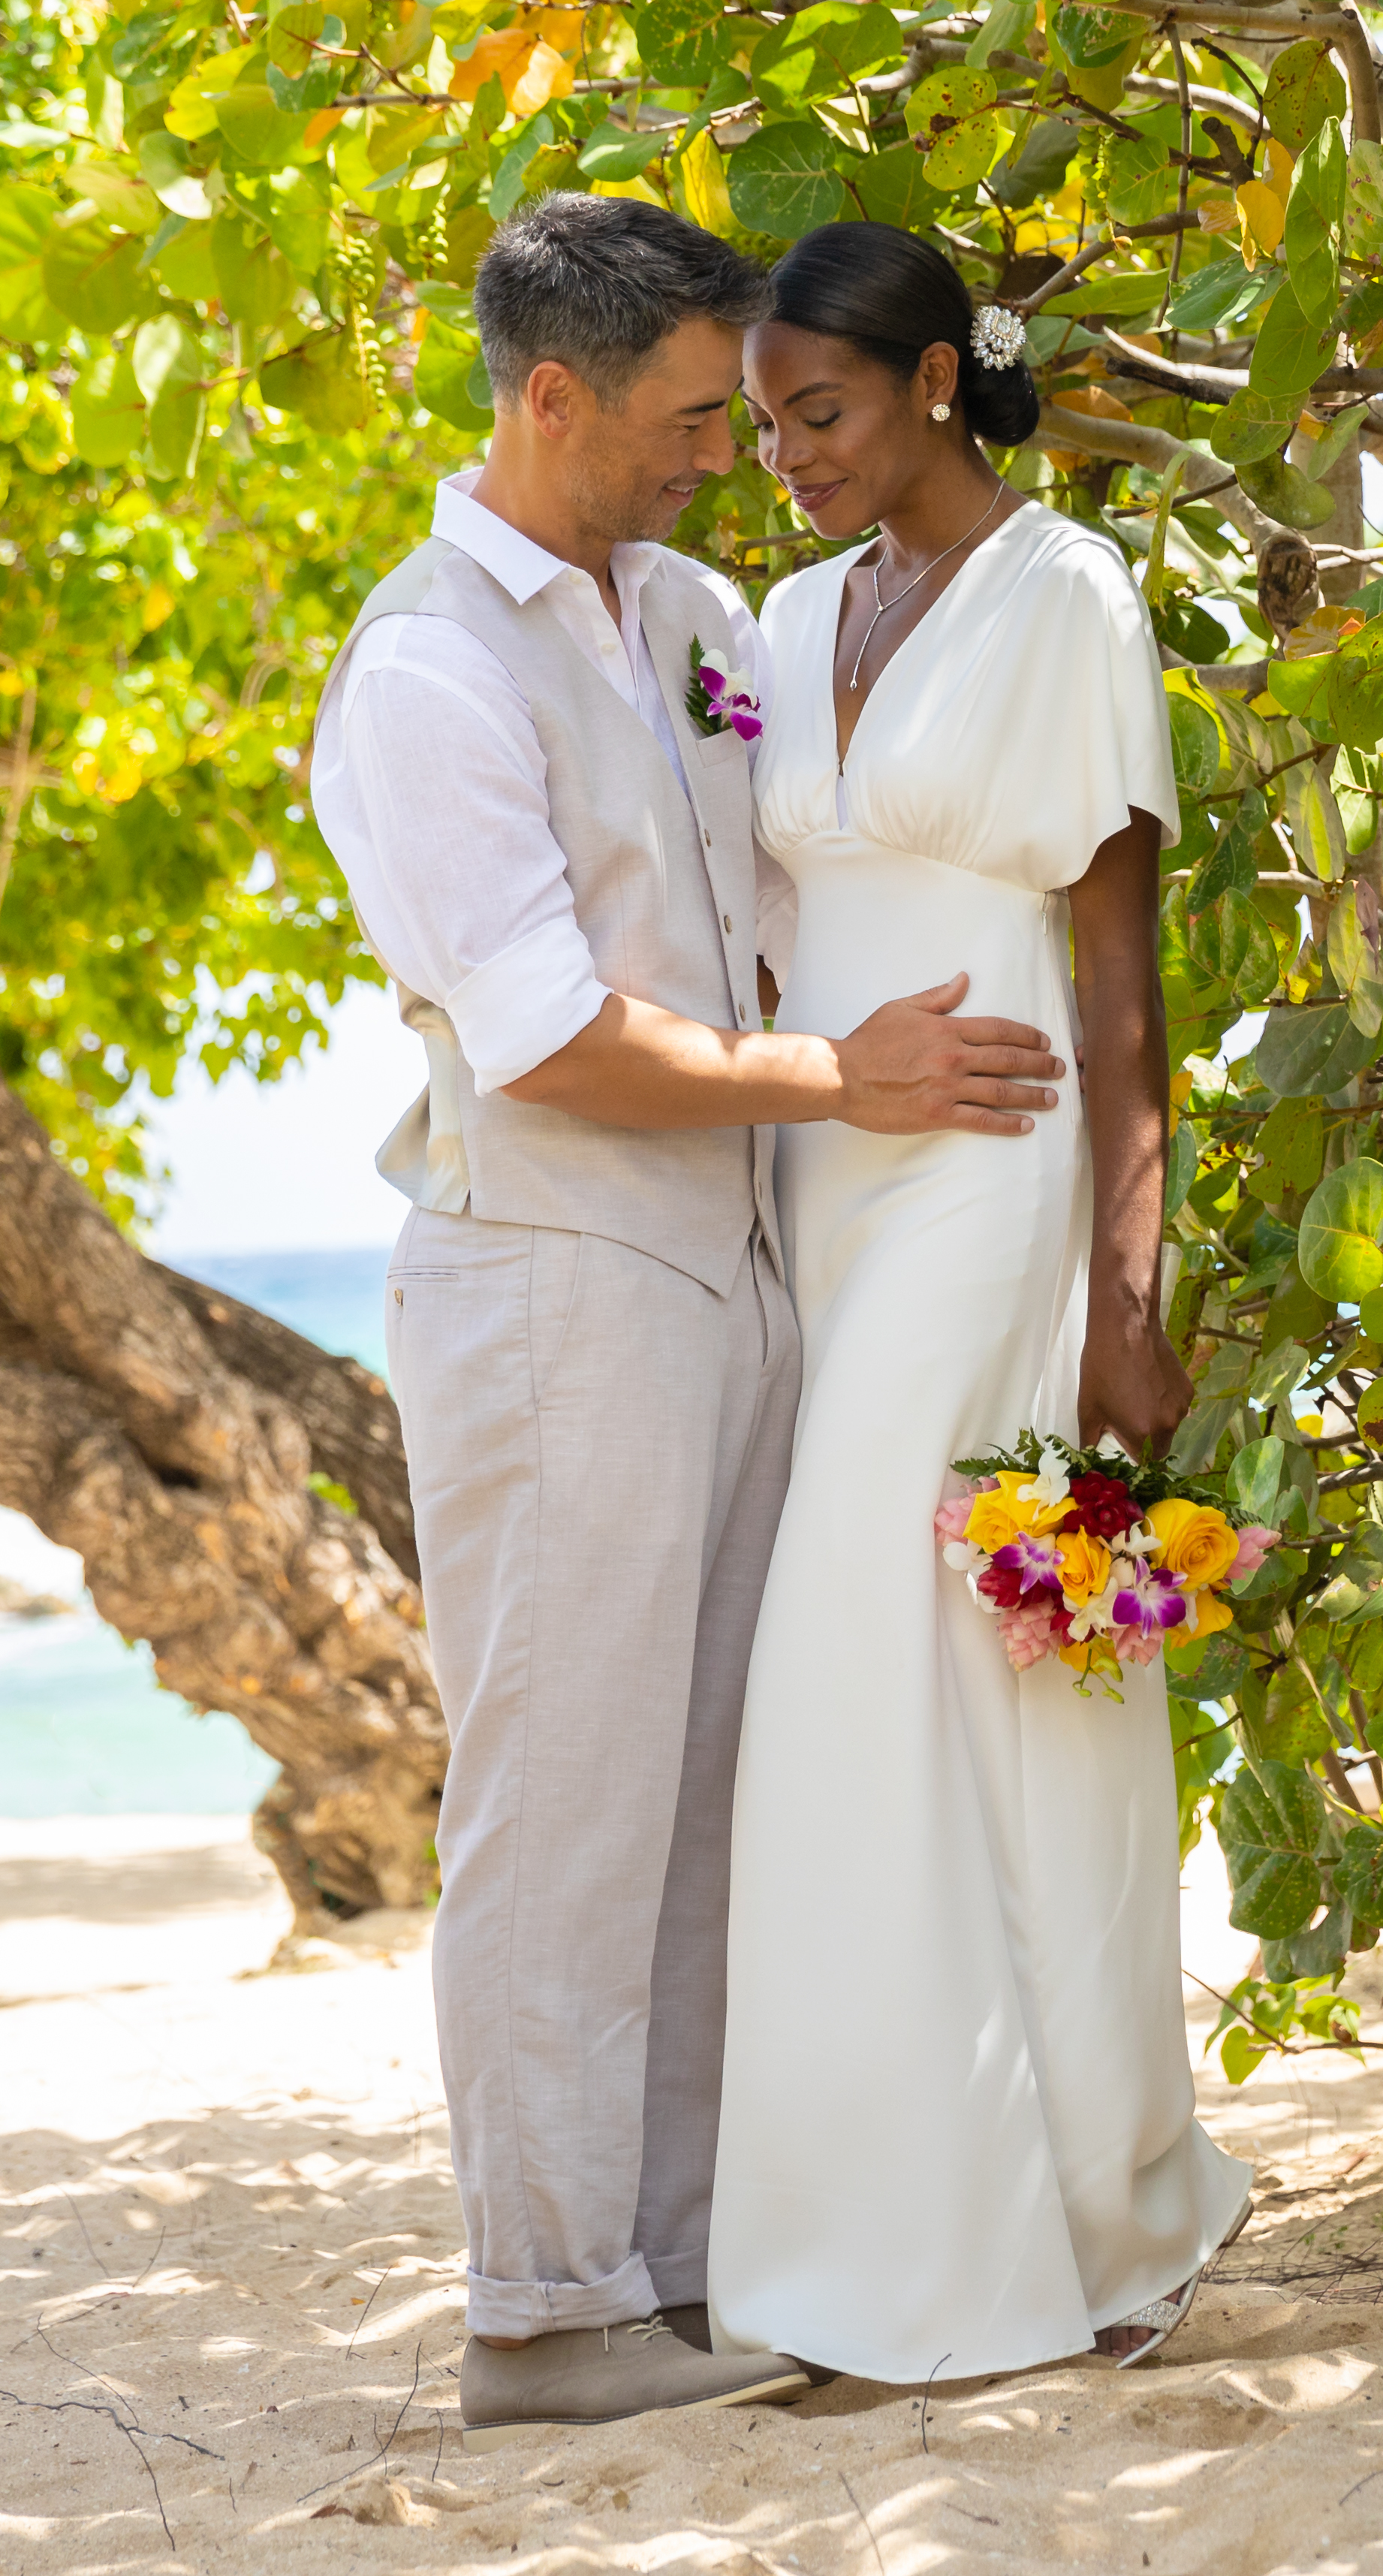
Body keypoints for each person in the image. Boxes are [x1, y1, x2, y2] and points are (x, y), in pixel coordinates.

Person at [306, 195, 1071, 2440]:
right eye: (672, 422)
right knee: (563, 1807)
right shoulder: (428, 669)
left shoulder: (694, 611)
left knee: (712, 1791)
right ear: (547, 399)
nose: (714, 457)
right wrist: (850, 1079)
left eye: (735, 420)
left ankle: (682, 2264)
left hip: (744, 1271)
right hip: (554, 1280)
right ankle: (541, 2308)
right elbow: (549, 1036)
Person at [707, 219, 1257, 2381]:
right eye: (758, 428)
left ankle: (996, 2234)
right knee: (951, 1684)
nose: (785, 461)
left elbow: (1126, 984)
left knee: (893, 1651)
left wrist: (1134, 1285)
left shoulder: (1067, 598)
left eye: (816, 414)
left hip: (992, 1183)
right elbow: (726, 841)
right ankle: (1048, 2205)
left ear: (941, 380)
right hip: (819, 1178)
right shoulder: (768, 620)